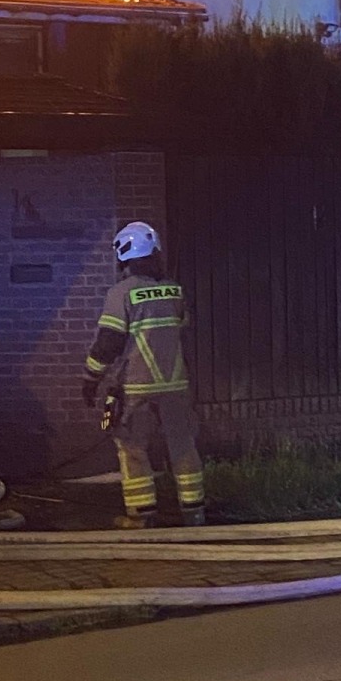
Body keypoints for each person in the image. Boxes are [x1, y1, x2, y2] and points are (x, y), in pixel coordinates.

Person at [81, 221, 206, 529]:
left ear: (123, 256)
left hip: (136, 385)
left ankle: (141, 517)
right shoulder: (174, 291)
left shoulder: (121, 293)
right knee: (183, 445)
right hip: (176, 384)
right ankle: (195, 514)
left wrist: (90, 378)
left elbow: (109, 342)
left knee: (132, 448)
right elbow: (181, 331)